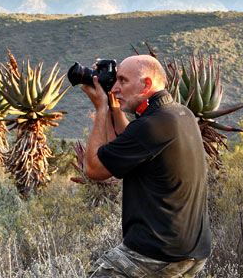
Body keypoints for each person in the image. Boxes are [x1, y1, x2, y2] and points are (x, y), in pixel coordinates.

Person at [81, 55, 211, 277]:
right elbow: (122, 146)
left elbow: (94, 169)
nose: (114, 88)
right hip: (192, 250)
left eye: (123, 81)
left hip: (157, 252)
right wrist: (114, 108)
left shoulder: (151, 125)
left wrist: (101, 109)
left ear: (146, 85)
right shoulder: (179, 114)